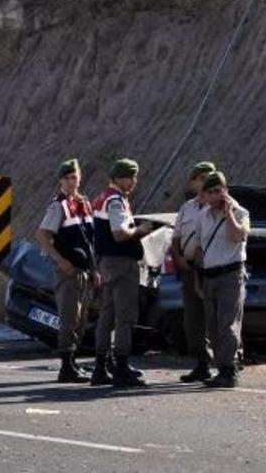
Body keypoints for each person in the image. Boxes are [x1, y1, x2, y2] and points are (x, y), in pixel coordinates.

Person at [35, 159, 100, 383]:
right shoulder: (58, 205)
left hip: (84, 271)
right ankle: (66, 367)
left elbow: (89, 241)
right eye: (68, 178)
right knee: (69, 319)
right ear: (61, 180)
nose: (72, 181)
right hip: (69, 272)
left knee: (81, 321)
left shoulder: (84, 203)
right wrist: (60, 260)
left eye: (75, 177)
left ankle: (72, 363)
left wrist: (94, 269)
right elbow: (42, 235)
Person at [90, 158, 153, 387]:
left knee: (106, 315)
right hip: (121, 264)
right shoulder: (115, 200)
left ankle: (101, 366)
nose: (134, 181)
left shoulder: (102, 198)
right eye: (130, 176)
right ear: (118, 178)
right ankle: (121, 367)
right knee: (124, 316)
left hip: (107, 263)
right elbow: (119, 234)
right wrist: (141, 230)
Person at [195, 171, 249, 388]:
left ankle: (229, 369)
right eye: (212, 192)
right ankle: (222, 368)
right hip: (210, 276)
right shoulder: (203, 216)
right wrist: (198, 276)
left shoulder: (241, 212)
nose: (217, 195)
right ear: (205, 195)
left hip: (231, 274)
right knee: (213, 326)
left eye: (220, 190)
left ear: (226, 191)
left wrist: (229, 216)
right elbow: (200, 247)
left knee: (228, 324)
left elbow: (237, 235)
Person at [171, 161, 217, 383]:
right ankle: (202, 363)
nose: (205, 181)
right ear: (194, 181)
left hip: (212, 268)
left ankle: (228, 364)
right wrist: (178, 258)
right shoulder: (187, 207)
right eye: (201, 177)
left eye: (209, 176)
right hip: (190, 268)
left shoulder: (217, 205)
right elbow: (176, 237)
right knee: (192, 321)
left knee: (217, 318)